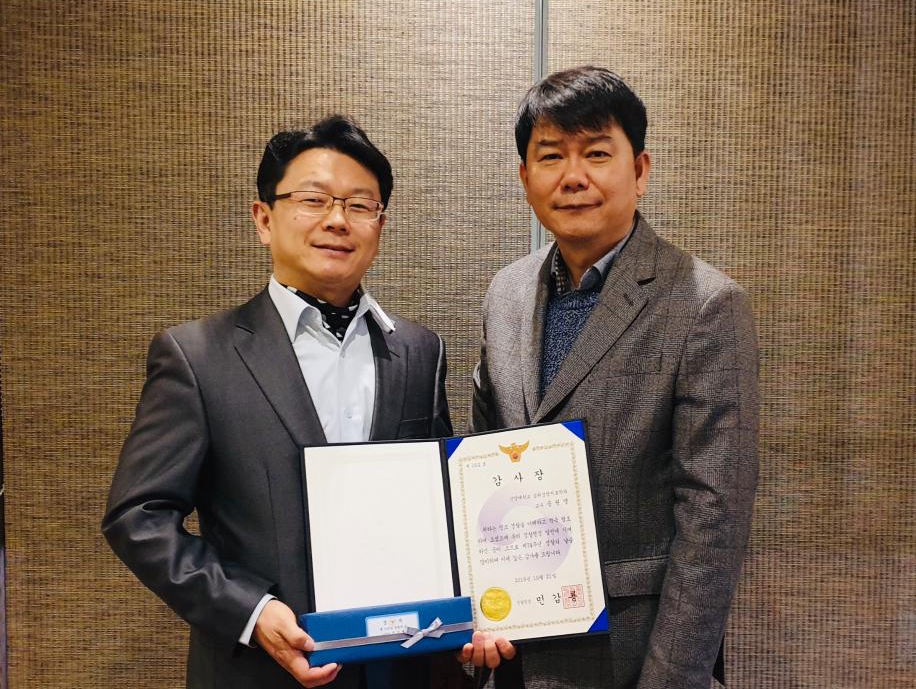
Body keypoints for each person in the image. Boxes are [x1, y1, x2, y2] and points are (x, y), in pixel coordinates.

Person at [103, 116, 452, 689]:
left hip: (400, 667)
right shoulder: (197, 356)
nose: (337, 220)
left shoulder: (420, 351)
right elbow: (137, 518)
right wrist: (250, 610)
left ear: (380, 225)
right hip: (257, 672)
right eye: (313, 199)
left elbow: (440, 505)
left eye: (360, 205)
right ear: (264, 219)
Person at [466, 67, 759, 688]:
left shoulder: (705, 303)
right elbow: (483, 458)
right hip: (514, 652)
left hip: (633, 656)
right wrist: (478, 612)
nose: (573, 176)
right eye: (551, 156)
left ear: (640, 170)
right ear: (525, 177)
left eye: (597, 153)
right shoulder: (505, 293)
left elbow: (714, 521)